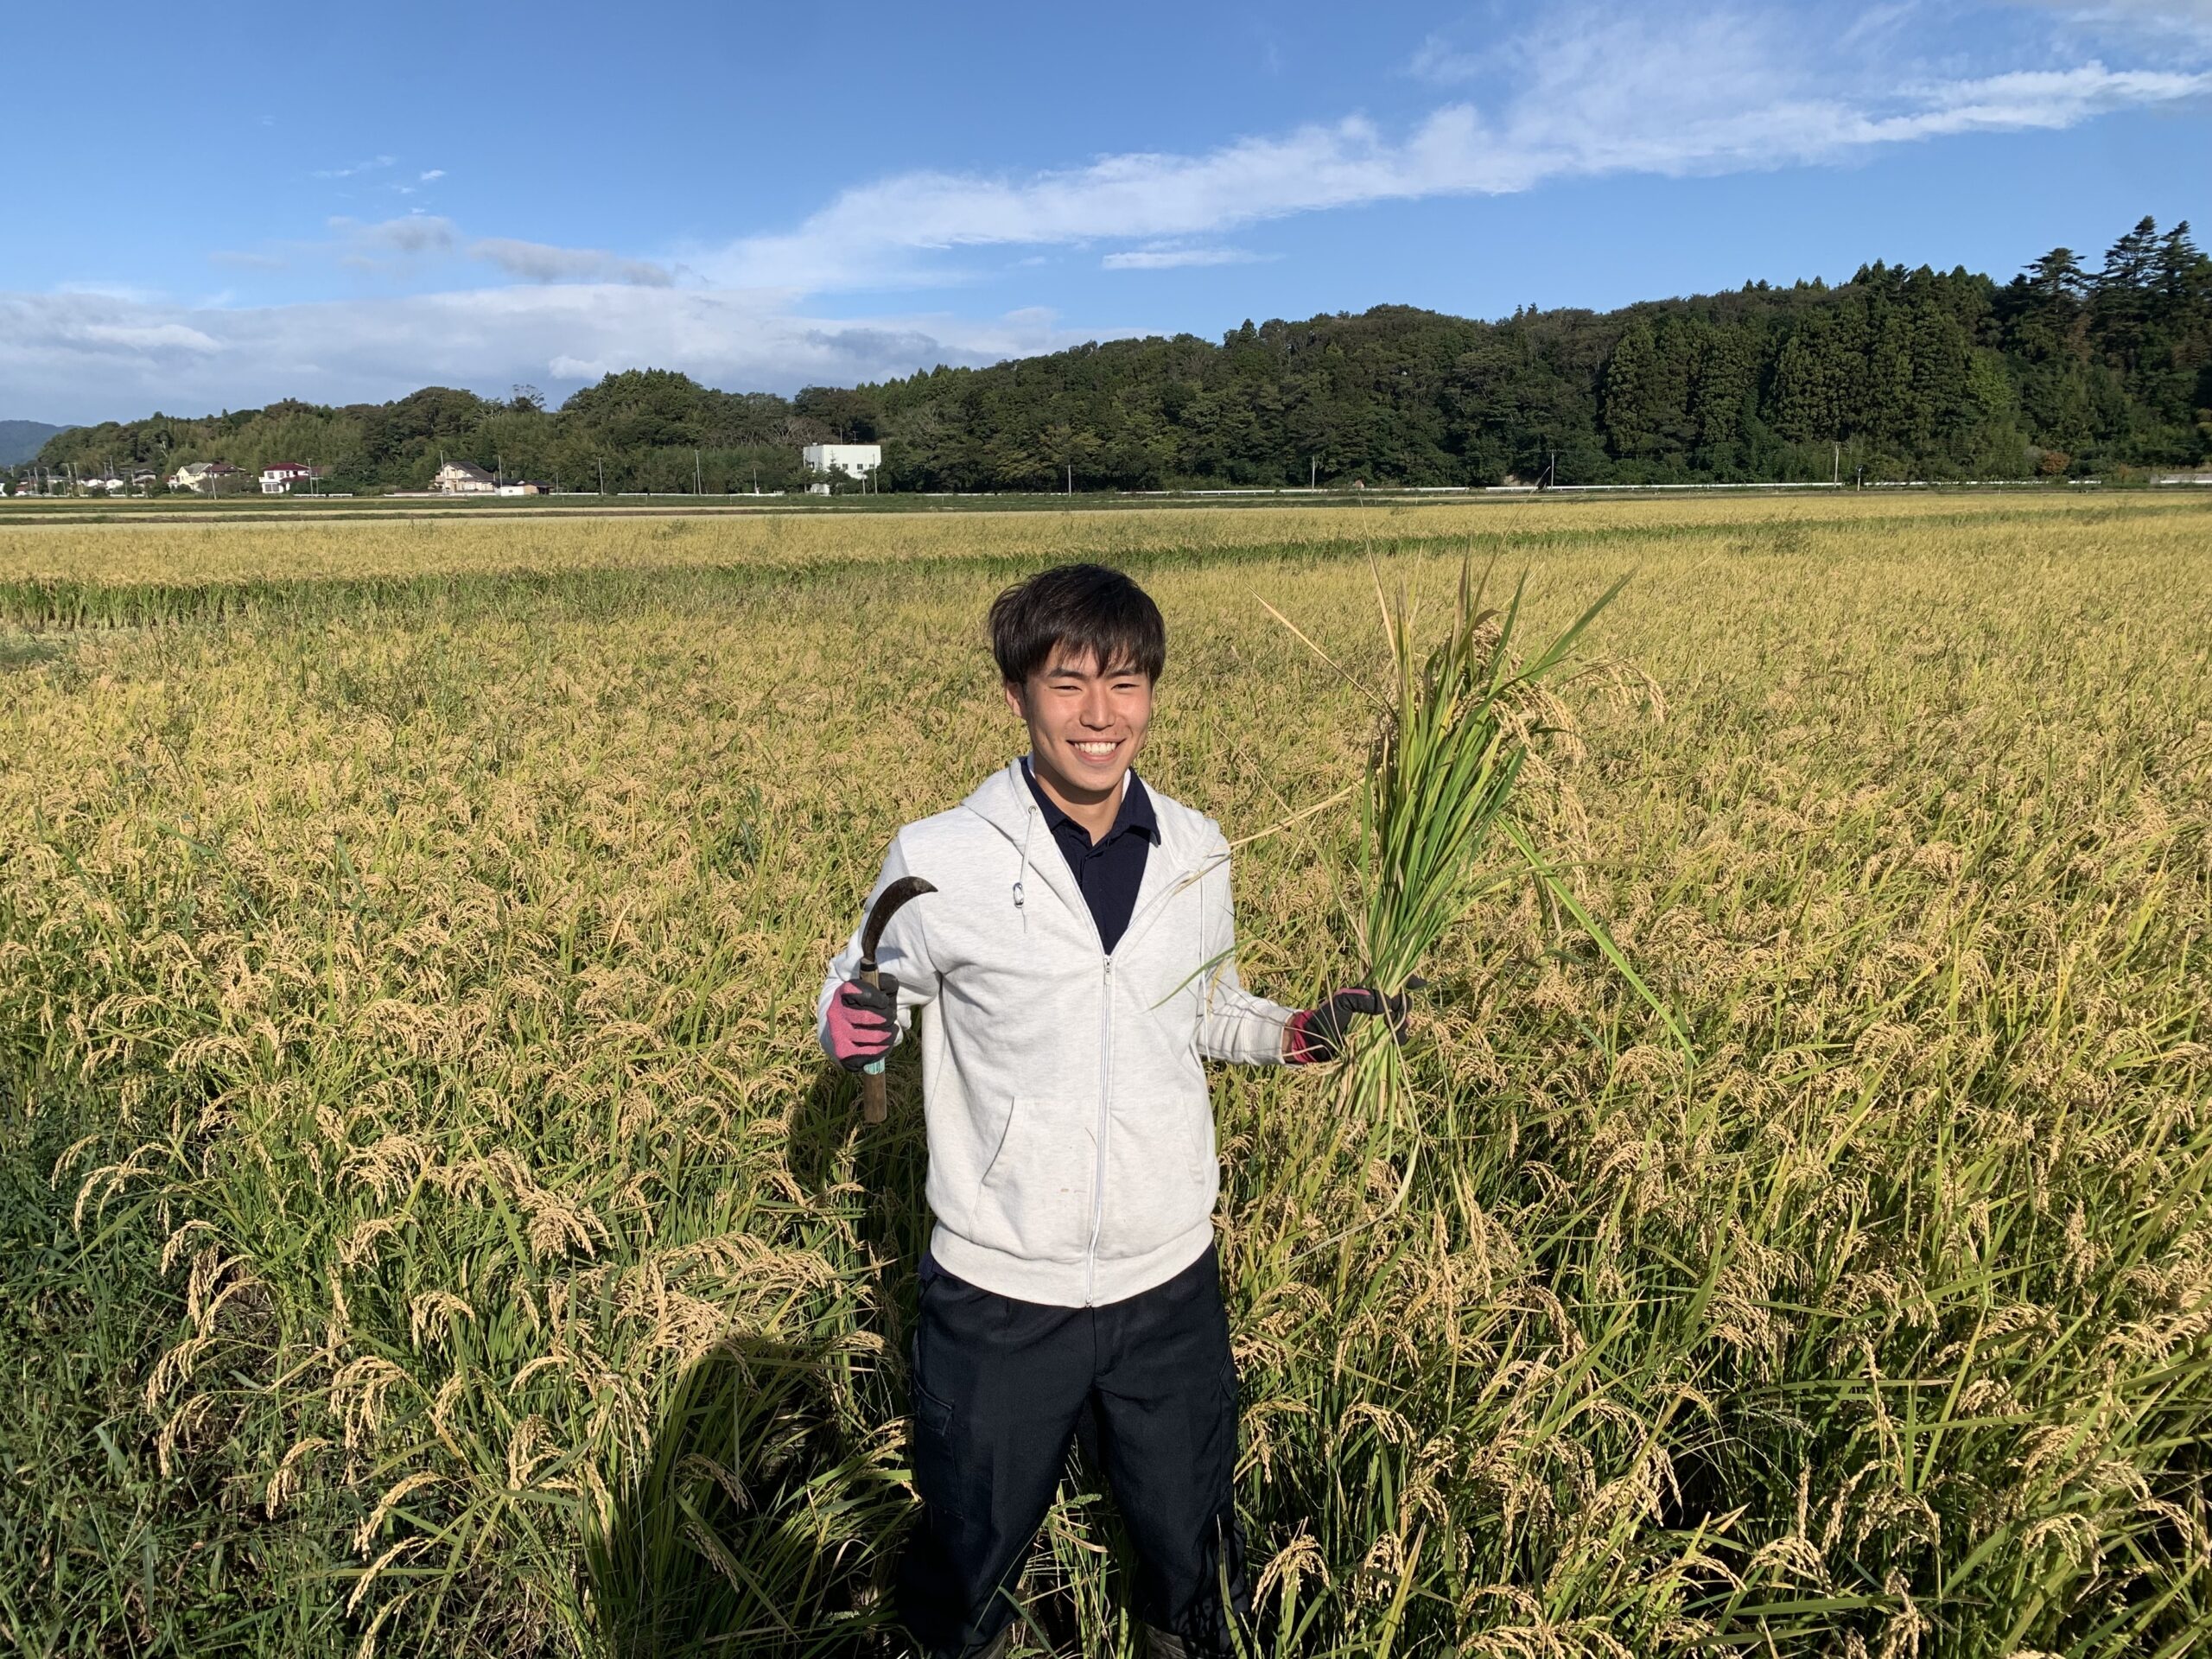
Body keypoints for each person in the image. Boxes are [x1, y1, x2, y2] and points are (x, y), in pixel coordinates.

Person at [817, 563, 1403, 1659]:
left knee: (1190, 1544)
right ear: (1017, 696)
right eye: (1069, 684)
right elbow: (863, 983)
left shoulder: (1196, 846)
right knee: (970, 1548)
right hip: (1001, 1291)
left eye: (1126, 684)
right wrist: (845, 1026)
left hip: (1167, 1280)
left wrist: (1296, 1032)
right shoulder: (938, 857)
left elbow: (1202, 1007)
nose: (1101, 716)